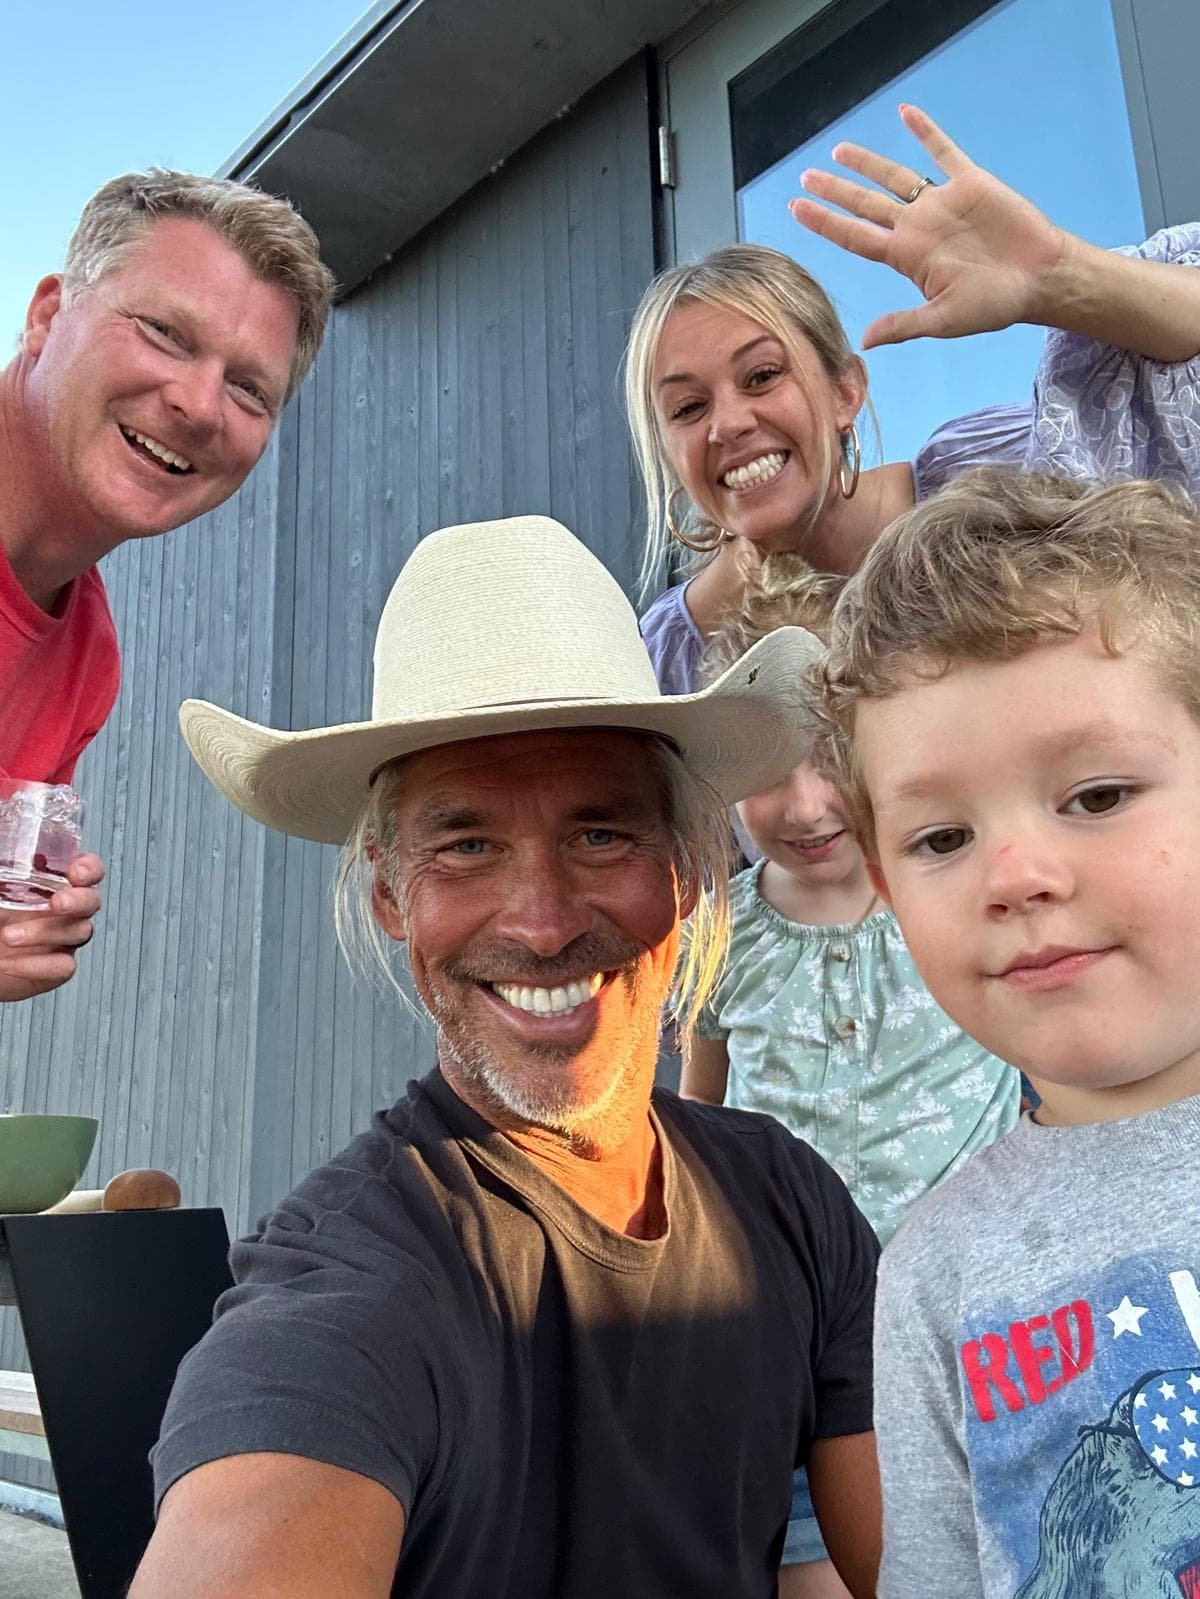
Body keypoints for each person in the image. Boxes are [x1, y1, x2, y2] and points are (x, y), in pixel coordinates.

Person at [130, 515, 882, 1599]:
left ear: (683, 867)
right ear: (393, 894)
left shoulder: (791, 1203)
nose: (539, 922)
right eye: (468, 844)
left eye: (600, 833)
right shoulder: (358, 1293)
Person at [816, 466, 1200, 1597]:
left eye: (1096, 796)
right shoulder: (935, 1275)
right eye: (942, 839)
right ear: (884, 885)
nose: (1018, 876)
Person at [683, 552, 1019, 1598]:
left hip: (967, 1338)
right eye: (770, 768)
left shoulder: (949, 902)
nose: (808, 801)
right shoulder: (718, 941)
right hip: (790, 1360)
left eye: (831, 757)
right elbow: (699, 1123)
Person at [626, 103, 1200, 695]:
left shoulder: (996, 484)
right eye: (687, 408)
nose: (728, 424)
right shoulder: (660, 668)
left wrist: (1061, 276)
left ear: (845, 392)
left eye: (763, 375)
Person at [0, 169, 335, 1001]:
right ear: (47, 315)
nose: (197, 403)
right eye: (163, 332)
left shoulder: (86, 658)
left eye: (250, 388)